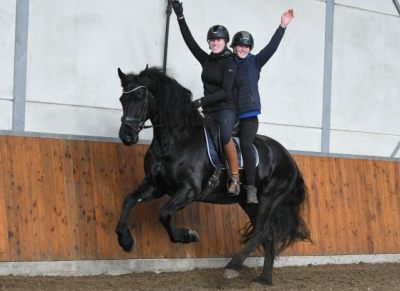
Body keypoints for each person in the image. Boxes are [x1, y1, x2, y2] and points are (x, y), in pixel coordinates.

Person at [171, 0, 240, 196]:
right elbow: (189, 41)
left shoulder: (230, 63)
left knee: (225, 136)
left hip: (225, 109)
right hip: (209, 111)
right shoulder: (206, 60)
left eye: (218, 40)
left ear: (225, 42)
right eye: (212, 40)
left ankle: (235, 177)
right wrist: (180, 17)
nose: (215, 43)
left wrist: (201, 101)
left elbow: (226, 91)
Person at [231, 9, 294, 204]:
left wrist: (282, 26)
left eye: (246, 46)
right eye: (240, 46)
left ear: (250, 49)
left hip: (248, 116)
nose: (243, 49)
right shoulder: (227, 63)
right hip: (230, 114)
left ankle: (250, 188)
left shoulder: (255, 62)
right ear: (234, 47)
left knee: (246, 144)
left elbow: (271, 48)